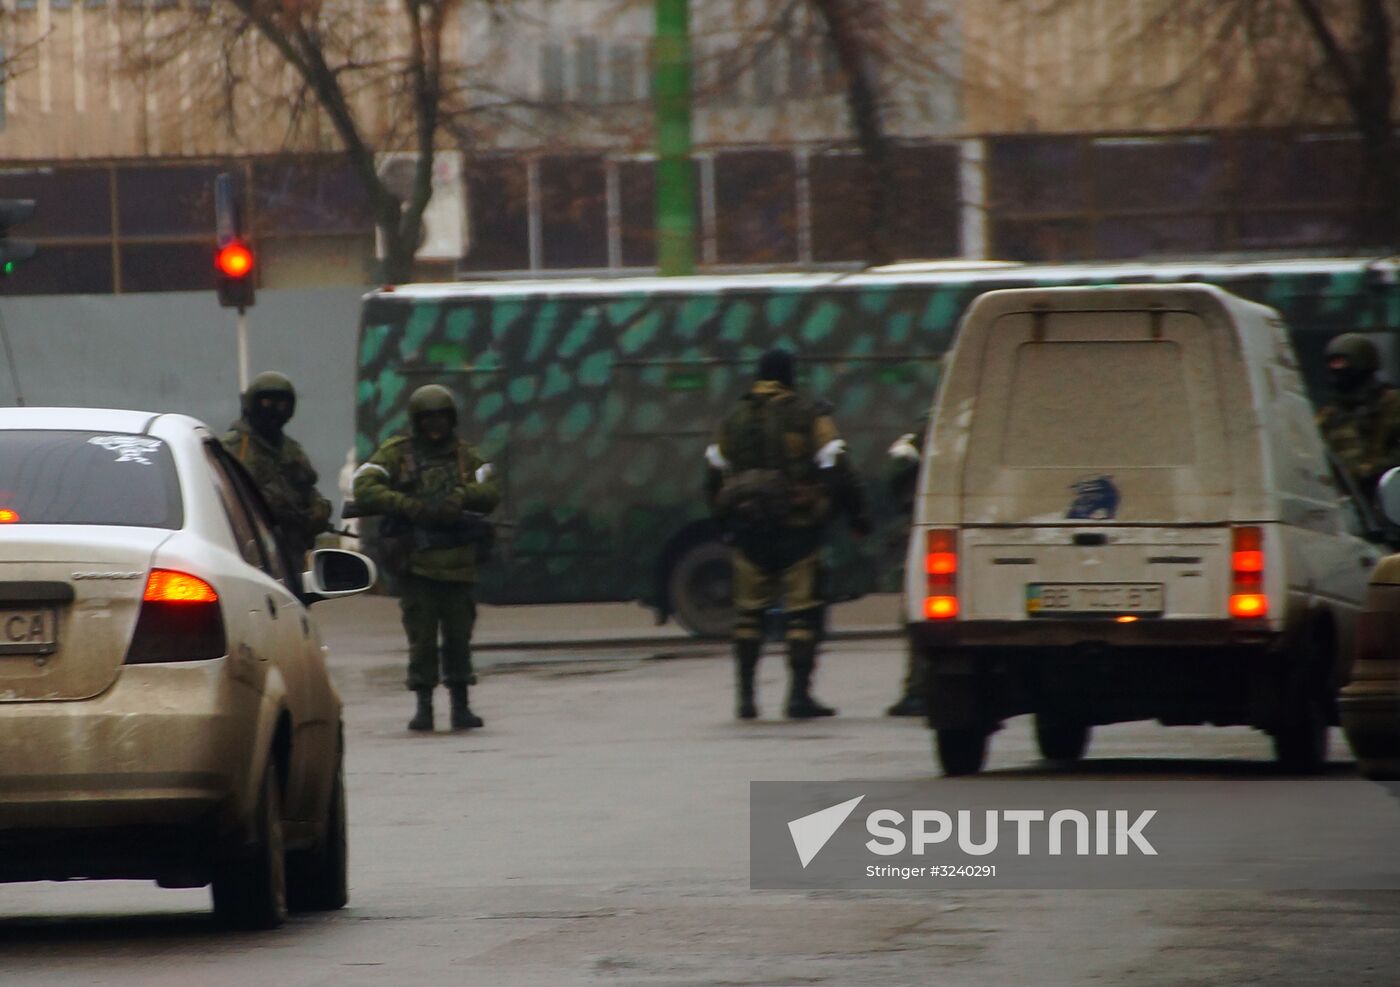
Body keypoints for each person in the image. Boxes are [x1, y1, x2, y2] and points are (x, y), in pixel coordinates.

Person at [705, 347, 870, 720]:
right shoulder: (808, 414)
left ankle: (746, 699)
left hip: (749, 532)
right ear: (789, 376)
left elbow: (713, 475)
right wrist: (857, 516)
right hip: (798, 533)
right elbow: (838, 467)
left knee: (748, 617)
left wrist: (724, 524)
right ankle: (798, 697)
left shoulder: (734, 418)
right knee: (803, 617)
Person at [352, 384, 501, 733]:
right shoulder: (397, 454)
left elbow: (491, 490)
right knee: (421, 640)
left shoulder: (466, 458)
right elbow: (365, 485)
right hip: (417, 566)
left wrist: (461, 497)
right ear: (417, 421)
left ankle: (461, 704)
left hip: (459, 564)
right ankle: (424, 706)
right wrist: (407, 505)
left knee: (459, 638)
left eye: (441, 418)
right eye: (428, 419)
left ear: (452, 420)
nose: (435, 426)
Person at [222, 371, 332, 561]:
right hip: (250, 549)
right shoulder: (235, 448)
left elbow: (308, 491)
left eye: (282, 404)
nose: (274, 410)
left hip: (290, 551)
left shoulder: (291, 450)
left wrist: (318, 512)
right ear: (252, 403)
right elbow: (226, 497)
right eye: (266, 403)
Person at [1317, 333, 1400, 501]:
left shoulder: (1392, 406)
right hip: (1343, 503)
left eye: (1342, 363)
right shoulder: (1329, 416)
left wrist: (1371, 471)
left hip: (1386, 500)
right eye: (1333, 363)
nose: (1337, 369)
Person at [884, 416, 929, 717]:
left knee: (922, 608)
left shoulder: (933, 422)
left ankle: (918, 689)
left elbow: (899, 465)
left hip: (928, 522)